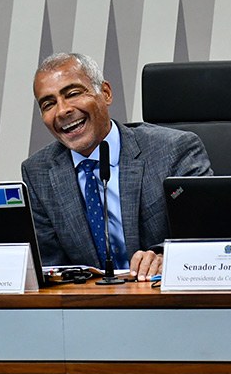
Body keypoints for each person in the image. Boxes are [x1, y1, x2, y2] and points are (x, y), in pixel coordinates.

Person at [21, 52, 212, 280]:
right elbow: (50, 267)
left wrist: (165, 257)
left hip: (163, 299)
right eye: (48, 104)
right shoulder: (38, 173)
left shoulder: (174, 150)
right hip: (88, 306)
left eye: (72, 94)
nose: (62, 111)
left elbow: (204, 234)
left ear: (106, 93)